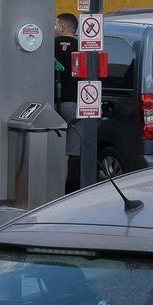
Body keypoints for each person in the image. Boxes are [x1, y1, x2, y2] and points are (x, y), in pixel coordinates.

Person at [54, 13, 81, 192]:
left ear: (63, 28)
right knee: (66, 155)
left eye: (56, 25)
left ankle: (51, 192)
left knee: (52, 151)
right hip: (75, 105)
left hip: (53, 104)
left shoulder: (49, 45)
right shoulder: (82, 46)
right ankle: (62, 193)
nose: (55, 28)